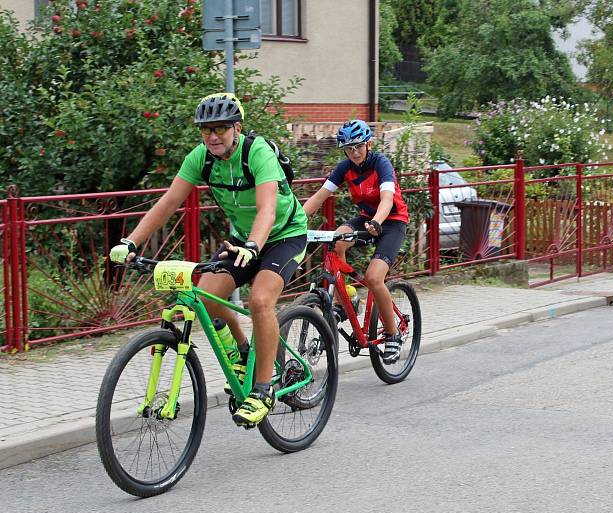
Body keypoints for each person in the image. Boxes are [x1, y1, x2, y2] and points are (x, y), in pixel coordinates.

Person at [109, 92, 308, 427]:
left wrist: (255, 246)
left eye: (220, 129)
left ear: (236, 127)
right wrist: (131, 241)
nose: (213, 136)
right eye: (206, 130)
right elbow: (168, 202)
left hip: (283, 235)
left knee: (260, 300)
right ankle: (242, 351)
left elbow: (268, 209)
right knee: (205, 295)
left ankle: (263, 390)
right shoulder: (200, 158)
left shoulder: (256, 153)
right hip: (243, 240)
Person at [302, 119, 408, 364]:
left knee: (373, 278)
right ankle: (347, 298)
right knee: (336, 242)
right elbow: (320, 196)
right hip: (365, 219)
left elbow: (387, 199)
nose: (354, 152)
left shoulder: (381, 163)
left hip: (391, 222)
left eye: (358, 146)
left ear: (368, 144)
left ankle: (392, 334)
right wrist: (295, 222)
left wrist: (378, 222)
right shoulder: (344, 167)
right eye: (348, 149)